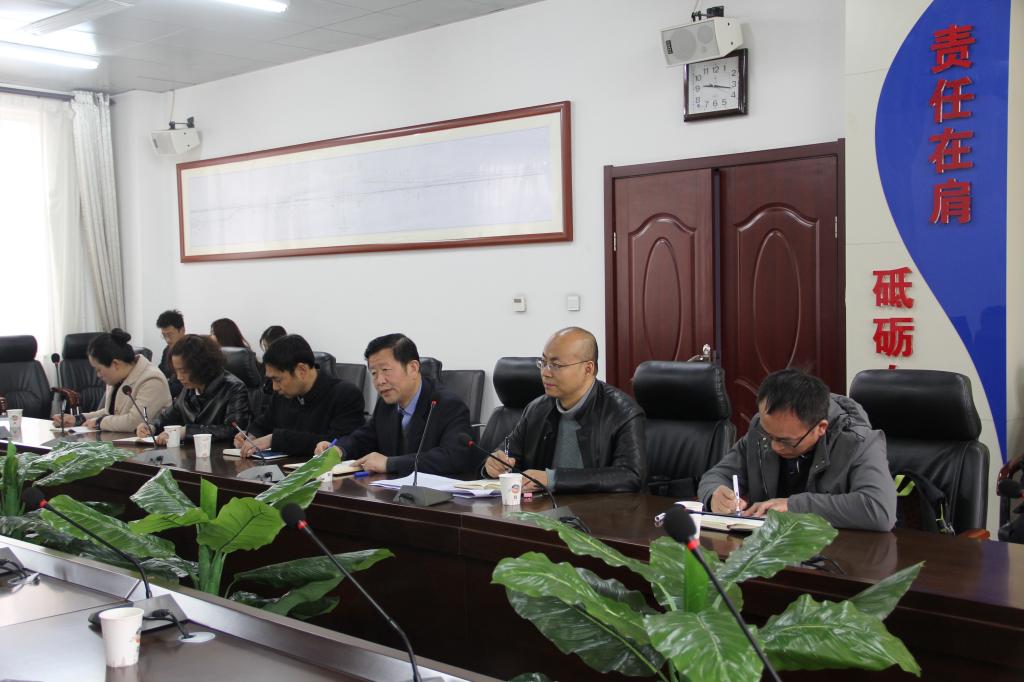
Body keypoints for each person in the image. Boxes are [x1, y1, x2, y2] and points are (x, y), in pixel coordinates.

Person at [697, 368, 897, 532]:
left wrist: (793, 506)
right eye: (769, 436)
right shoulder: (763, 429)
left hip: (838, 554)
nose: (774, 446)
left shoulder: (858, 441)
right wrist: (715, 494)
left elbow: (879, 509)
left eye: (785, 441)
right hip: (768, 549)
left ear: (820, 428)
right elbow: (716, 475)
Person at [483, 327, 645, 493]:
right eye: (543, 363)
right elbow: (508, 452)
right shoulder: (537, 409)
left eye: (556, 365)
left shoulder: (623, 412)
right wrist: (493, 464)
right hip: (542, 507)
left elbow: (630, 476)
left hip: (600, 508)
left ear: (588, 369)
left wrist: (553, 479)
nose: (545, 372)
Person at [313, 333, 473, 477]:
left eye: (385, 370)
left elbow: (453, 457)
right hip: (391, 493)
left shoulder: (447, 405)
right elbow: (364, 438)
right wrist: (339, 449)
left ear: (413, 368)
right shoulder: (387, 403)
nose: (379, 381)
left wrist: (390, 463)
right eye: (374, 373)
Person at [236, 334, 364, 457]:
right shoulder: (282, 394)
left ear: (301, 370)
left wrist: (275, 439)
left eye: (278, 379)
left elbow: (341, 442)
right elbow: (264, 423)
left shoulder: (345, 394)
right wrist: (250, 435)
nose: (274, 387)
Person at [138, 334, 252, 444]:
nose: (179, 377)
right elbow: (168, 417)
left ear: (201, 366)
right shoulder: (189, 388)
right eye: (176, 371)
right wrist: (151, 426)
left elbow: (233, 431)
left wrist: (186, 432)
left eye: (184, 371)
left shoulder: (233, 388)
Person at [52, 329, 171, 432]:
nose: (98, 375)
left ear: (115, 364)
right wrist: (78, 419)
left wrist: (98, 422)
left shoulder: (152, 380)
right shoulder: (118, 378)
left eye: (99, 370)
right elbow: (111, 412)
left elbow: (135, 421)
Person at [156, 309, 185, 398]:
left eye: (170, 334)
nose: (167, 340)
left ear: (182, 330)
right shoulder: (167, 350)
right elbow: (160, 373)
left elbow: (183, 385)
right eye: (164, 335)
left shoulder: (192, 351)